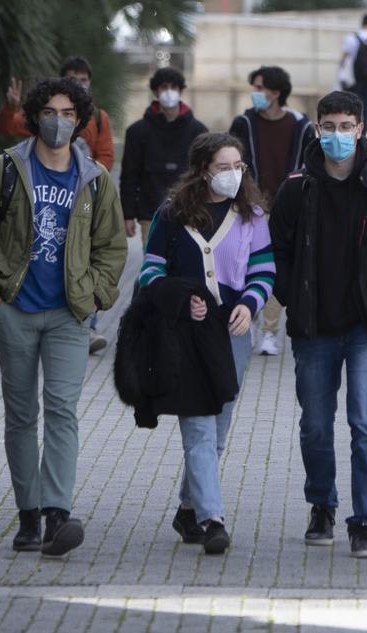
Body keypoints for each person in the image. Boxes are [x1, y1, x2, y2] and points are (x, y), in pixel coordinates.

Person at [0, 77, 128, 558]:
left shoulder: (95, 179)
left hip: (69, 316)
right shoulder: (4, 169)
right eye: (51, 112)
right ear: (35, 117)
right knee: (21, 415)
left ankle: (57, 513)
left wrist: (96, 297)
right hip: (13, 310)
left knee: (61, 411)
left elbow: (112, 247)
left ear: (81, 120)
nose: (60, 121)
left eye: (69, 113)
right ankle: (28, 516)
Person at [269, 90, 367, 558]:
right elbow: (273, 252)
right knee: (316, 425)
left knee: (365, 423)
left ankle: (364, 521)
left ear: (360, 129)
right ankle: (322, 505)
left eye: (346, 127)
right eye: (328, 127)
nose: (337, 136)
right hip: (314, 328)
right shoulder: (296, 188)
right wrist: (289, 294)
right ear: (316, 130)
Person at [135, 133, 275, 555]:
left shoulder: (252, 215)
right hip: (186, 336)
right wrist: (182, 299)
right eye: (223, 168)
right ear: (202, 170)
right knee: (197, 429)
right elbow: (149, 272)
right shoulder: (172, 215)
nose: (232, 175)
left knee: (217, 432)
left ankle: (186, 508)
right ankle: (213, 519)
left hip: (232, 332)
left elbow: (265, 271)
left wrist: (250, 306)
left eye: (238, 167)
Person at [0, 59, 117, 353]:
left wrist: (88, 179)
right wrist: (11, 107)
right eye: (73, 78)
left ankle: (86, 325)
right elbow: (7, 127)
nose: (79, 82)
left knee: (85, 256)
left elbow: (107, 154)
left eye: (83, 79)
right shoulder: (46, 119)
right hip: (44, 198)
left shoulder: (98, 118)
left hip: (84, 197)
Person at [229, 65, 315, 356]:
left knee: (275, 269)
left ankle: (269, 331)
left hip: (286, 209)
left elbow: (311, 166)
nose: (254, 93)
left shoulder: (301, 126)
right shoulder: (243, 123)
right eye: (253, 87)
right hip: (250, 207)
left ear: (276, 93)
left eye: (259, 88)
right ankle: (247, 320)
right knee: (245, 265)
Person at [120, 67, 208, 248]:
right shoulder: (137, 132)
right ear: (155, 91)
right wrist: (127, 215)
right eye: (164, 87)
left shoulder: (198, 131)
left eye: (174, 87)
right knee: (153, 264)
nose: (169, 92)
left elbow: (204, 174)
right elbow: (129, 175)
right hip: (149, 213)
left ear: (181, 90)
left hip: (189, 211)